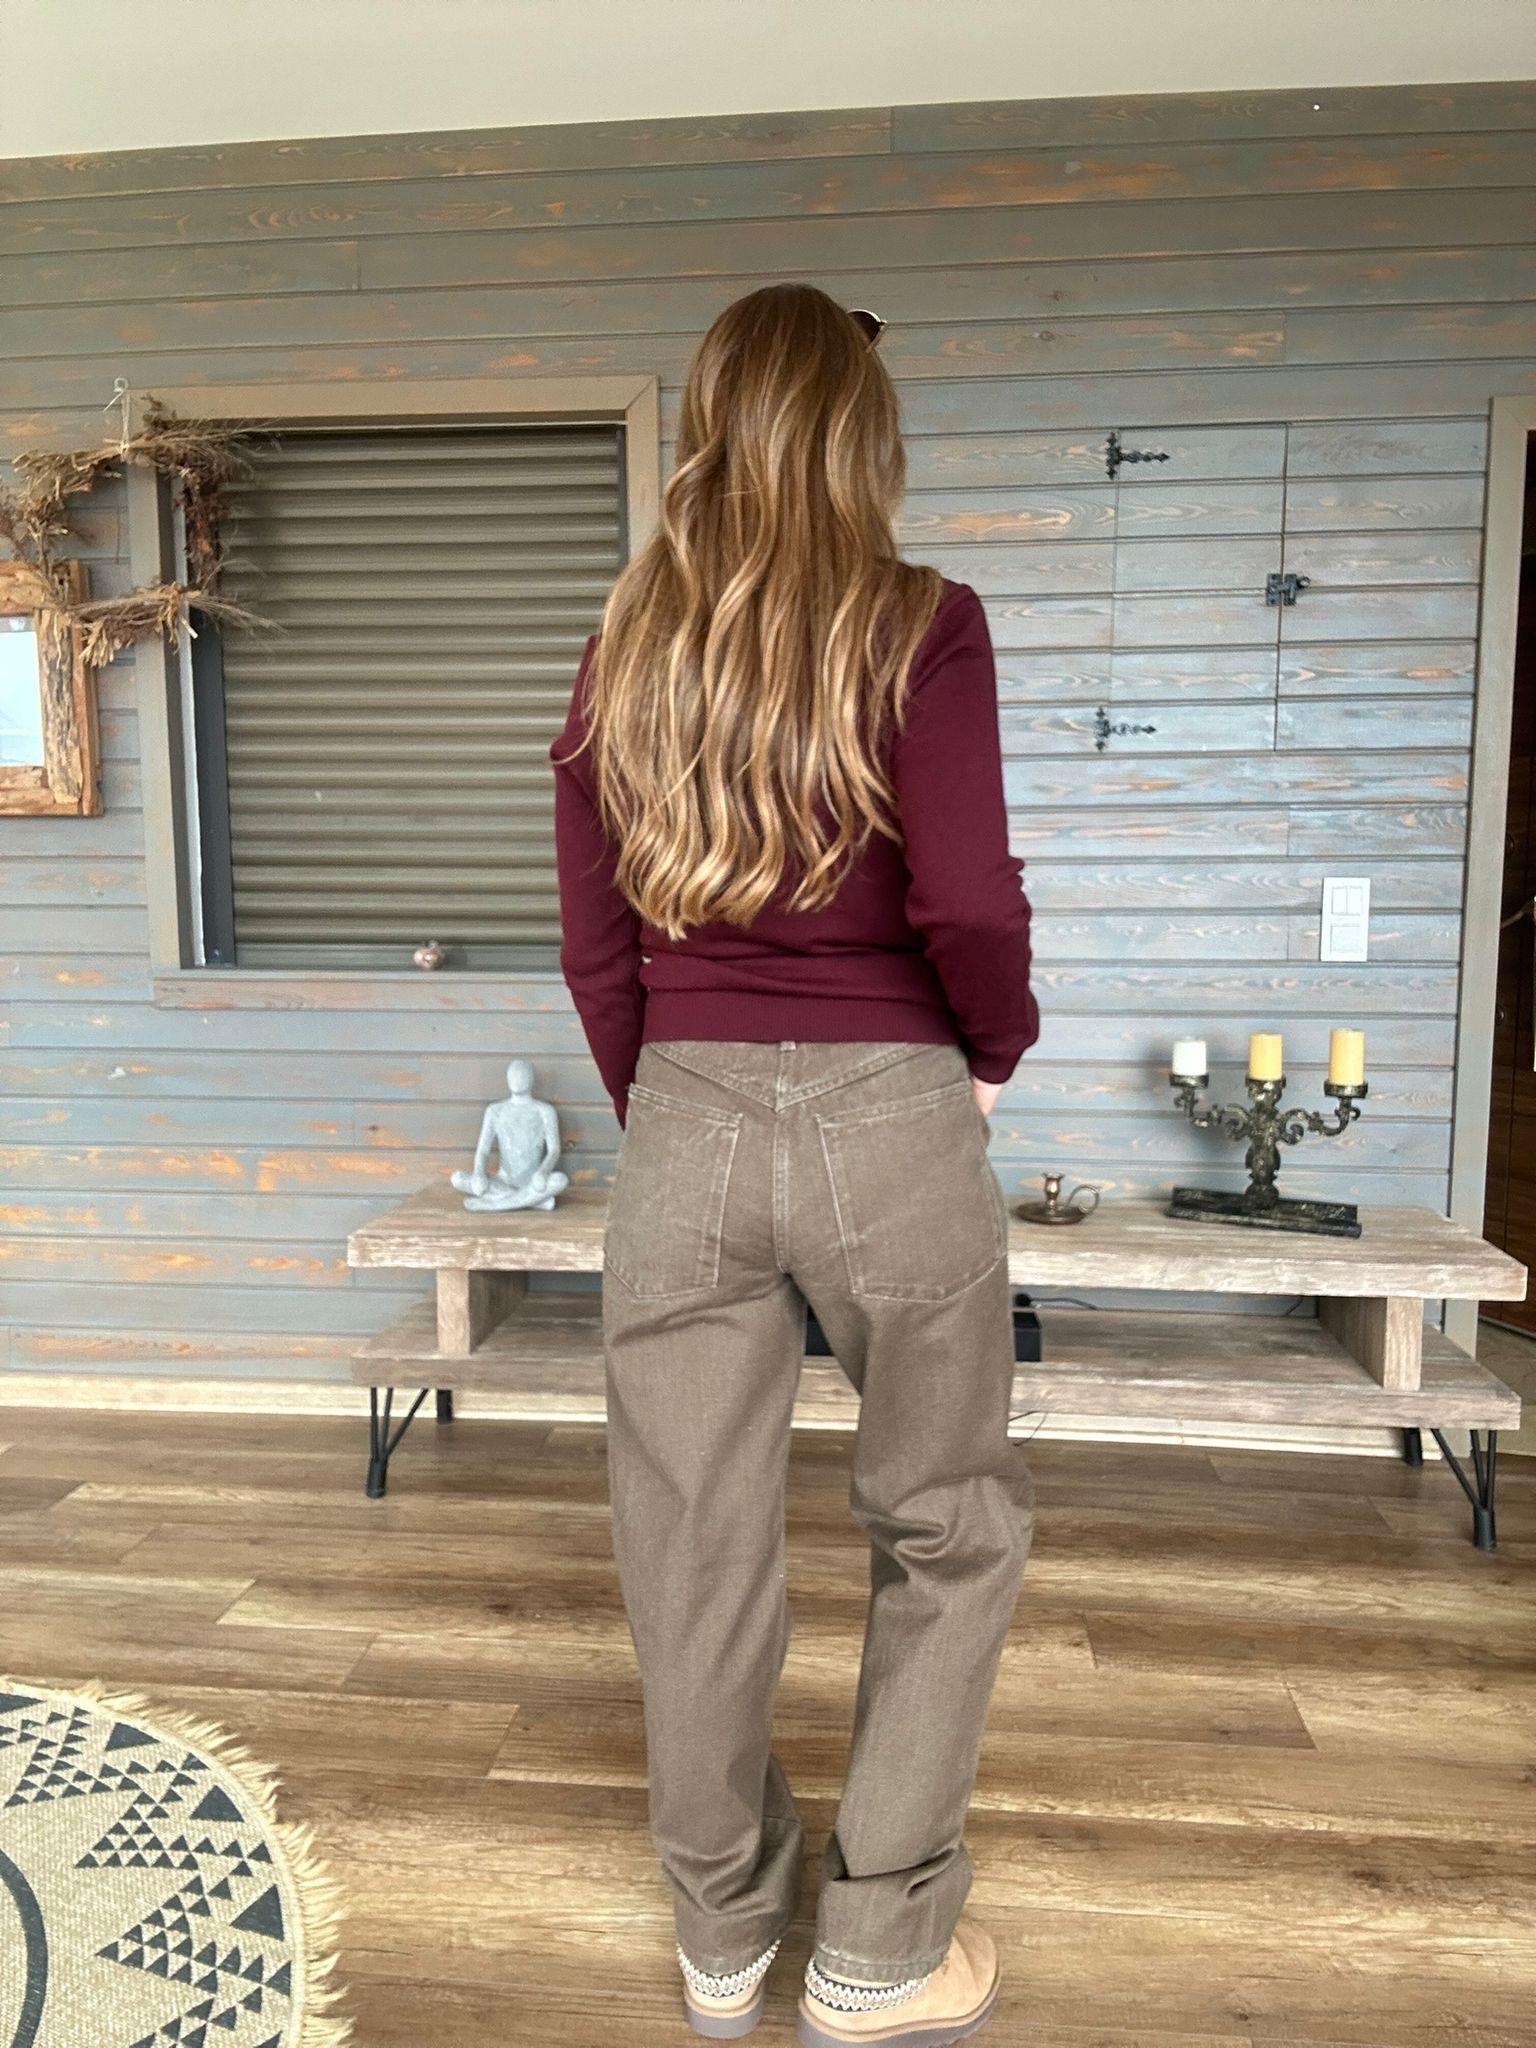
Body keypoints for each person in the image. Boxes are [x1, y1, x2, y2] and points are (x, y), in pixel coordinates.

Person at [550, 283, 1038, 2048]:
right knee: (946, 1523)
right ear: (861, 435)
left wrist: (669, 1099)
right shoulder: (927, 623)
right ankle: (879, 1955)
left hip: (683, 1112)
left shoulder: (626, 645)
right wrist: (990, 1054)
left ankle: (722, 1938)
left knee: (688, 1544)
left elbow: (596, 940)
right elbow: (968, 901)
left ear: (711, 429)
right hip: (894, 1111)